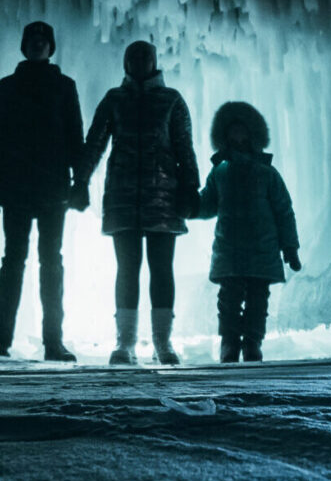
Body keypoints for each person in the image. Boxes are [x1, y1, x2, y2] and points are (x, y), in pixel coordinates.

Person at [82, 40, 197, 365]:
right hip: (122, 196)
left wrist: (191, 188)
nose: (140, 60)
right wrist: (80, 181)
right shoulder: (114, 100)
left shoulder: (171, 100)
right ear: (126, 62)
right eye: (133, 55)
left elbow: (184, 147)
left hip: (163, 198)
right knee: (127, 270)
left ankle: (163, 343)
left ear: (154, 61)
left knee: (161, 270)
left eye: (145, 55)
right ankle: (126, 343)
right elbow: (95, 143)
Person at [0, 20, 89, 361]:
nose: (38, 43)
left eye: (43, 39)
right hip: (18, 187)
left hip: (51, 188)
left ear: (50, 46)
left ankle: (52, 342)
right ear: (25, 45)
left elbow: (75, 136)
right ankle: (0, 341)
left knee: (49, 264)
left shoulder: (64, 87)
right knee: (14, 262)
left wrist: (80, 182)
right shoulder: (8, 87)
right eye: (33, 39)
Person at [194, 101, 300, 362]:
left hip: (261, 249)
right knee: (228, 301)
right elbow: (207, 205)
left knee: (257, 300)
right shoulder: (219, 172)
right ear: (225, 135)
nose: (238, 136)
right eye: (233, 131)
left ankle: (252, 342)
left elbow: (284, 211)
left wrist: (290, 248)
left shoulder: (267, 173)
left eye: (242, 131)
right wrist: (185, 203)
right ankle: (229, 343)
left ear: (253, 135)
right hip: (230, 249)